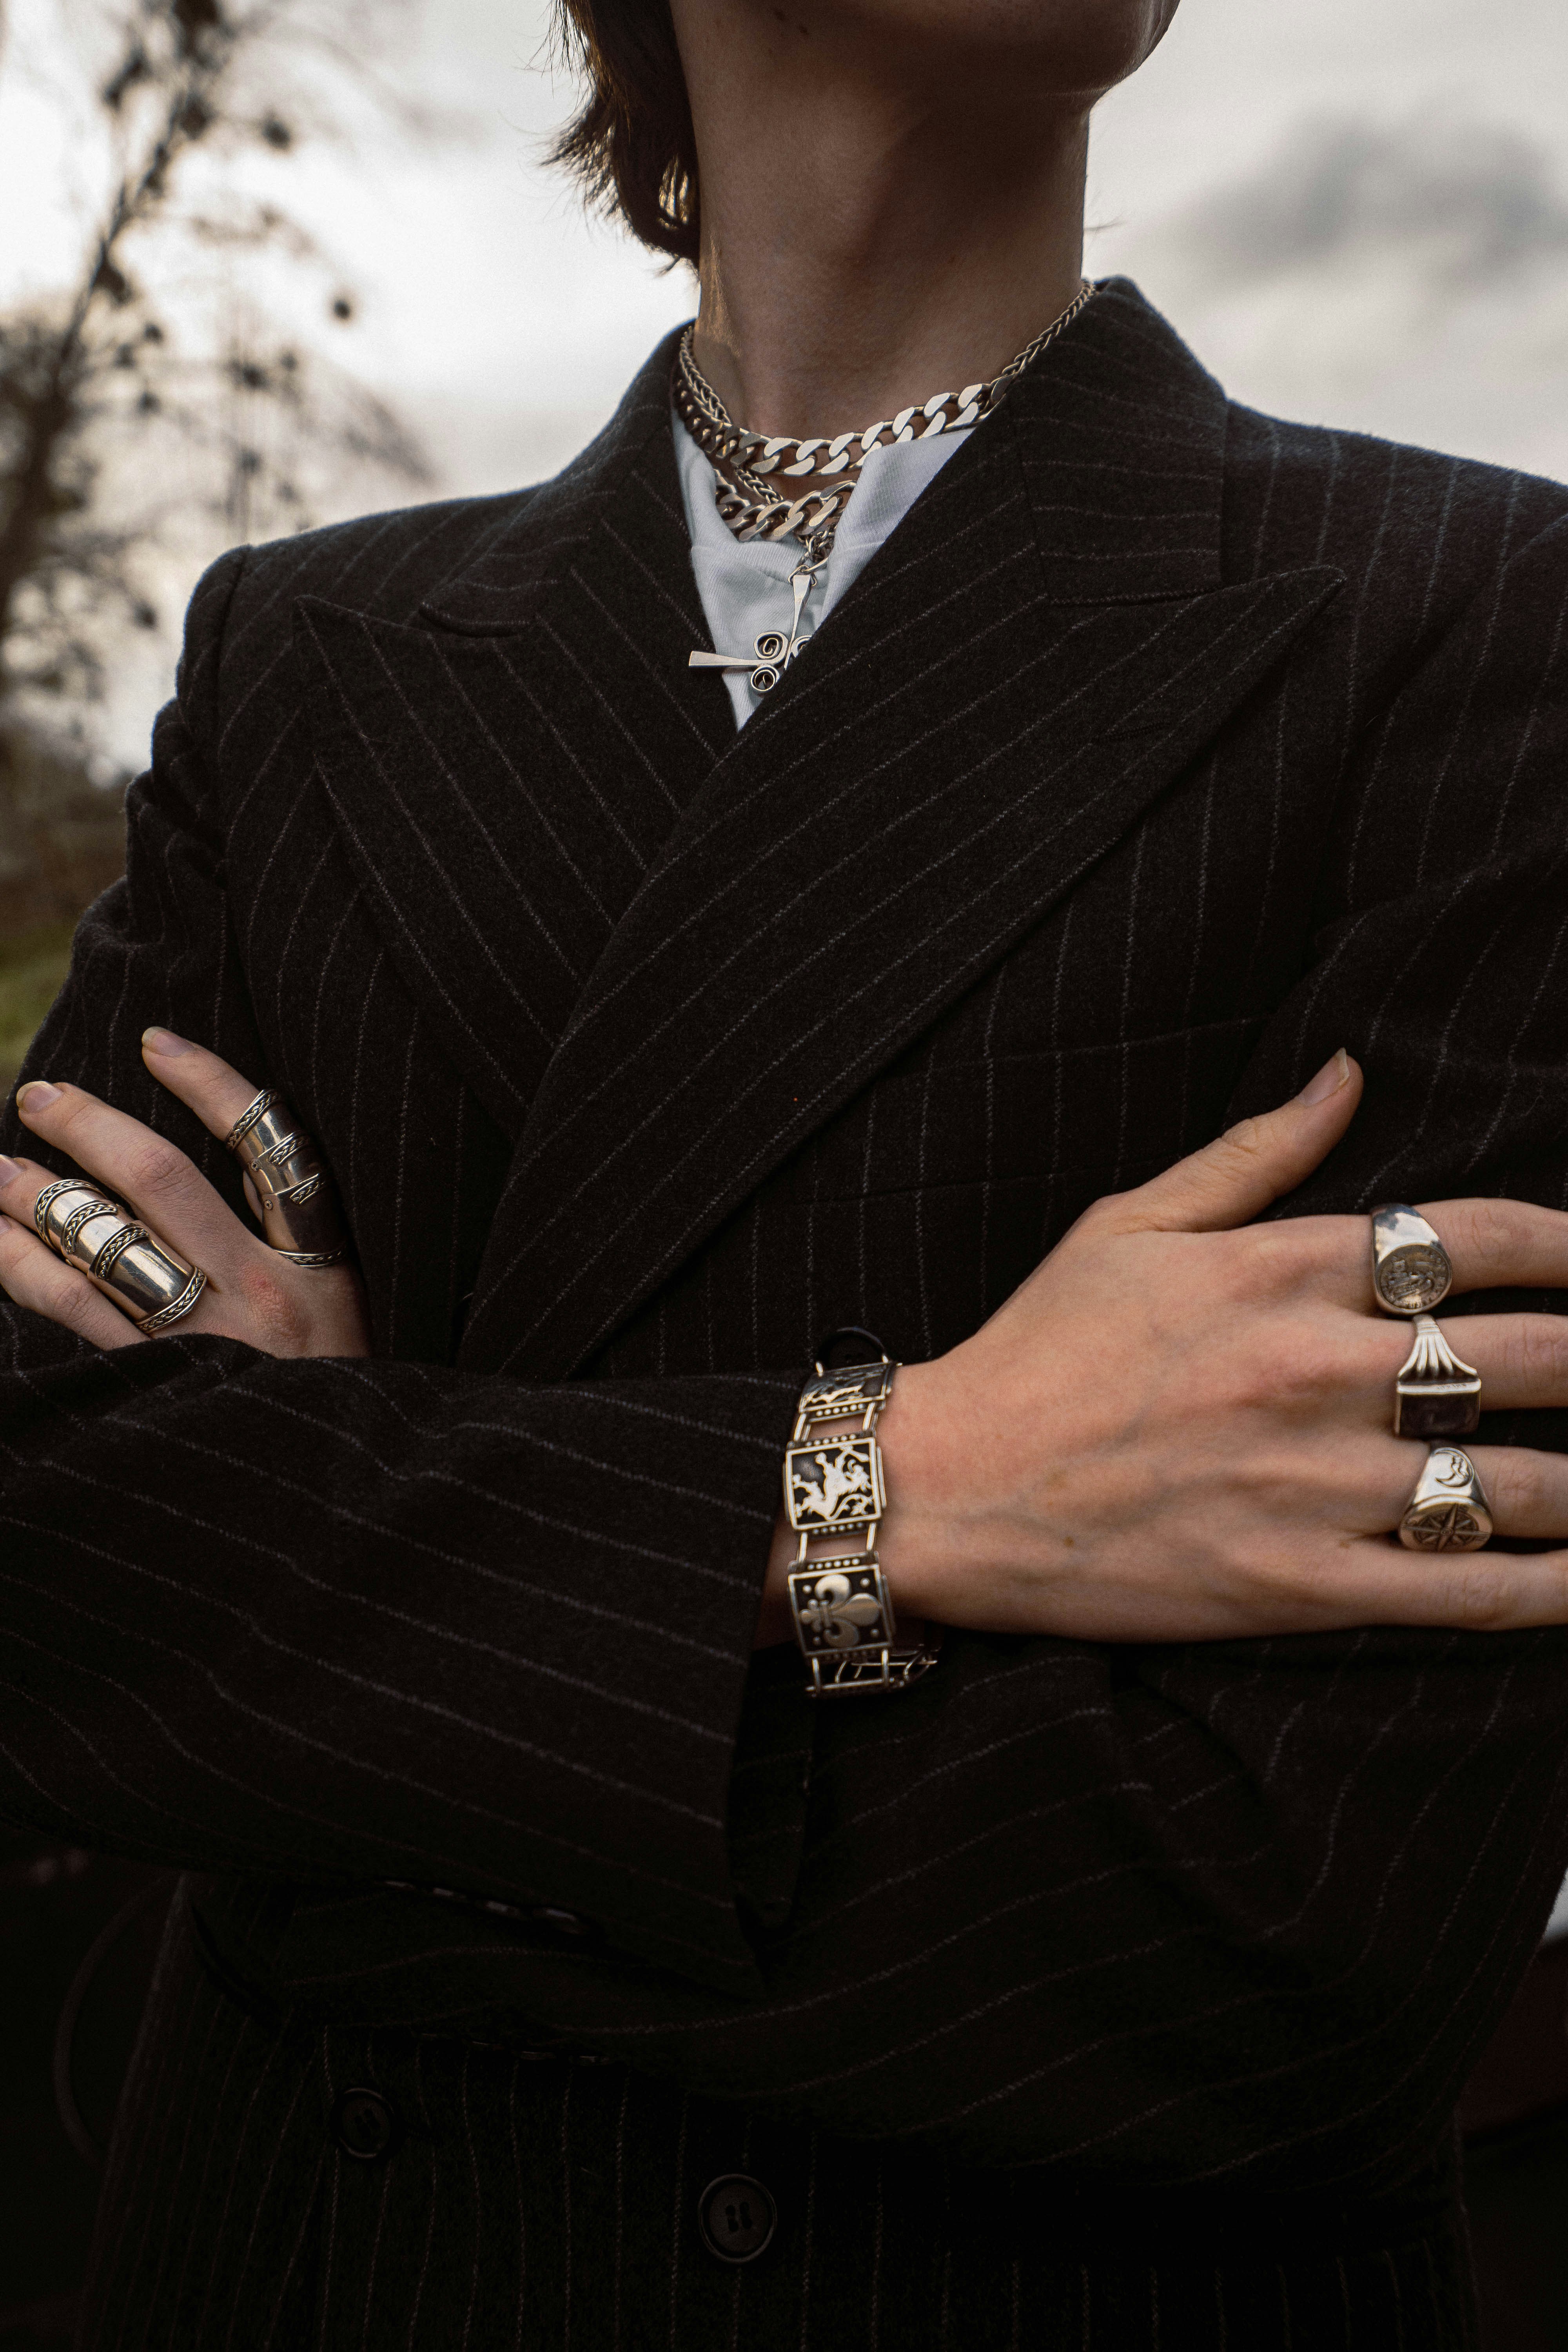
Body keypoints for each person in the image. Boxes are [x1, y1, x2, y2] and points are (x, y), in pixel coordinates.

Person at [2, 0, 1567, 2343]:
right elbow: (54, 1566)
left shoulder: (1473, 629)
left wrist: (317, 1744)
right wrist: (889, 1478)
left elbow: (1302, 1935)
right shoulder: (304, 665)